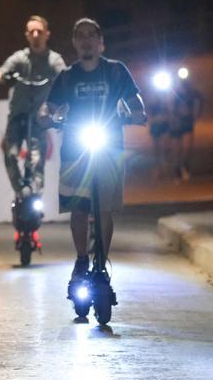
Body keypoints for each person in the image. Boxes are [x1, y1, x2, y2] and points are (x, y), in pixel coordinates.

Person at [40, 18, 145, 286]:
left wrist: (136, 114)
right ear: (74, 43)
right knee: (79, 206)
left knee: (104, 208)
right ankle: (81, 258)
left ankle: (102, 259)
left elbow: (135, 102)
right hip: (76, 151)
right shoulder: (67, 76)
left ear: (101, 42)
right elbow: (48, 107)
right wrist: (47, 116)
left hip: (109, 149)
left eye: (91, 35)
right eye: (80, 36)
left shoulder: (116, 72)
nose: (86, 40)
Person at [0, 15, 66, 195]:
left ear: (47, 34)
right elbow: (2, 69)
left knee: (36, 158)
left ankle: (36, 190)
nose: (36, 35)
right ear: (27, 35)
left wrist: (64, 83)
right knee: (10, 154)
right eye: (32, 31)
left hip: (40, 118)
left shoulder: (54, 59)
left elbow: (65, 75)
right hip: (18, 116)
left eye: (40, 31)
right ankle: (19, 190)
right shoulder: (20, 58)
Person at [170, 75, 204, 182]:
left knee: (186, 148)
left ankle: (185, 167)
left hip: (187, 123)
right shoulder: (173, 92)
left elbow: (200, 99)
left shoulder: (191, 92)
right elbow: (169, 106)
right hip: (176, 124)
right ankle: (177, 172)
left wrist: (196, 114)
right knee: (176, 150)